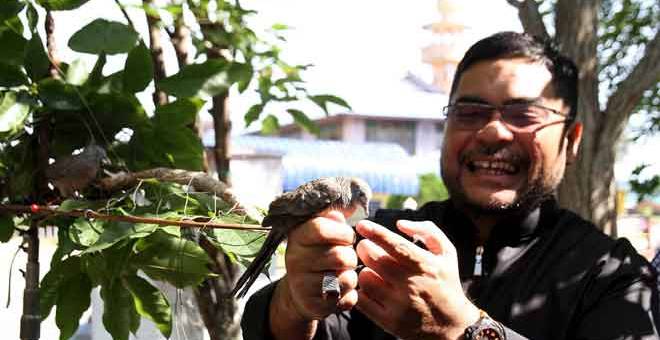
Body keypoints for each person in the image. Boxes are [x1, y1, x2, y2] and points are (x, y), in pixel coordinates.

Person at [241, 31, 660, 340]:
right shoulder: (381, 240)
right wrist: (299, 302)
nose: (493, 131)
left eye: (524, 114)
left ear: (571, 141)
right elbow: (304, 321)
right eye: (470, 111)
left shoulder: (614, 276)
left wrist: (465, 329)